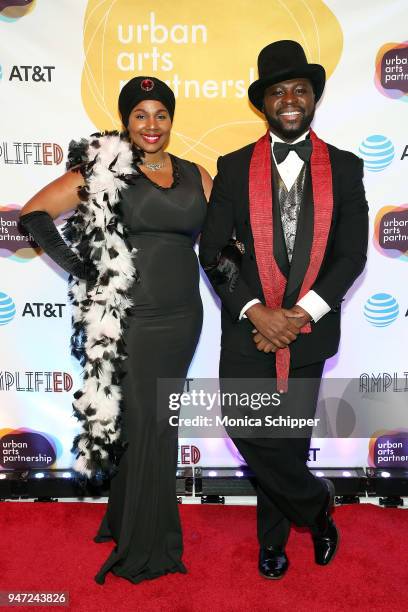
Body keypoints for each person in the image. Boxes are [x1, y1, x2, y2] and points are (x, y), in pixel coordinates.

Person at [19, 76, 212, 585]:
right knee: (149, 423)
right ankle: (147, 547)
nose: (152, 125)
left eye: (161, 115)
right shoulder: (107, 170)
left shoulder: (197, 174)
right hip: (132, 316)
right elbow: (35, 214)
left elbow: (220, 241)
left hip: (183, 316)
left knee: (153, 420)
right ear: (127, 120)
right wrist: (83, 266)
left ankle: (127, 517)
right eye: (141, 115)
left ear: (172, 121)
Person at [199, 40, 368, 579]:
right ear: (263, 102)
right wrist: (255, 310)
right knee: (244, 425)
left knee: (288, 438)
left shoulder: (345, 167)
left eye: (300, 90)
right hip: (247, 329)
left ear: (313, 98)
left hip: (308, 333)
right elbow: (216, 250)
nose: (290, 99)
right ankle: (316, 503)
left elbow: (351, 254)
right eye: (279, 91)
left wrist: (300, 315)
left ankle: (273, 544)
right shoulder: (231, 167)